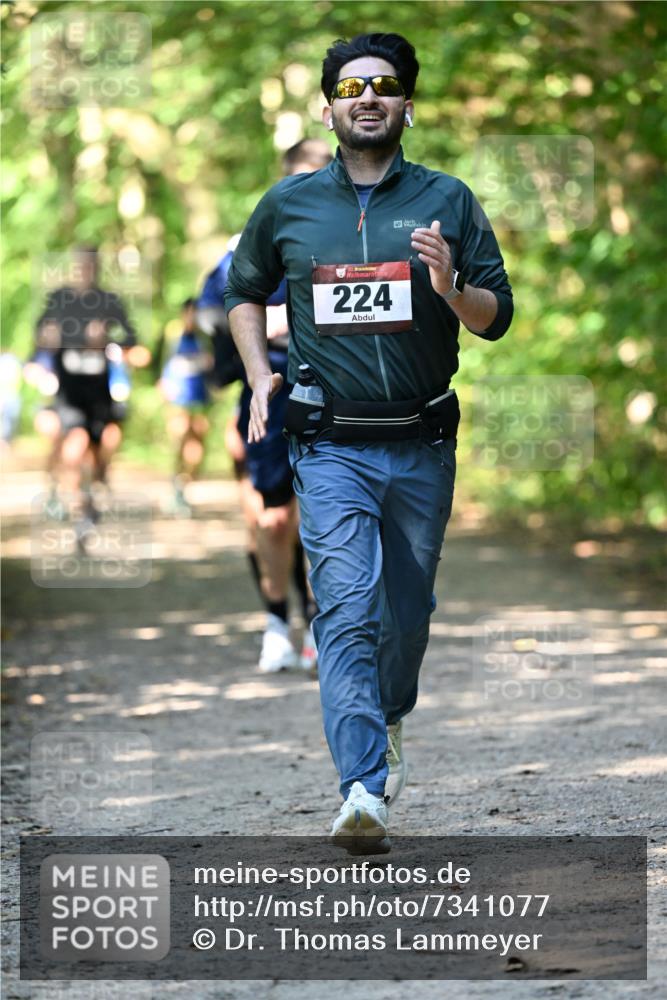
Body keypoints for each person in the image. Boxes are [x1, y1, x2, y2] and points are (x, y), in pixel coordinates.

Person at [224, 32, 513, 853]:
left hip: (420, 441)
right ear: (329, 109)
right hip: (330, 443)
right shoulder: (288, 204)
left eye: (383, 85)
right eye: (351, 88)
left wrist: (449, 288)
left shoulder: (448, 199)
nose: (367, 97)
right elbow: (242, 291)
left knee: (406, 614)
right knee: (346, 608)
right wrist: (259, 375)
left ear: (406, 105)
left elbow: (497, 316)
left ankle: (387, 719)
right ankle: (362, 787)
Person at [199, 140, 332, 673]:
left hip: (341, 390)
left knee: (327, 514)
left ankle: (322, 623)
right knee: (275, 521)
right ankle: (278, 622)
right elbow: (212, 313)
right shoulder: (250, 241)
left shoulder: (355, 235)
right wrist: (259, 326)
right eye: (301, 178)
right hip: (271, 394)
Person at [33, 246, 148, 538]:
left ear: (97, 268)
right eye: (80, 265)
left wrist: (107, 340)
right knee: (75, 443)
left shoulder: (109, 301)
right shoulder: (59, 299)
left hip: (98, 392)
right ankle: (80, 511)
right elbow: (40, 336)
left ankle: (91, 498)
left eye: (90, 266)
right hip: (69, 391)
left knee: (97, 453)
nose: (85, 271)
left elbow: (131, 339)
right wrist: (49, 337)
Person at [159, 298, 213, 515]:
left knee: (196, 445)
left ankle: (184, 486)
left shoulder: (205, 337)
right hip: (177, 398)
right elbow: (164, 361)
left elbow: (213, 365)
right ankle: (175, 486)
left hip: (200, 397)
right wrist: (164, 385)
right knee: (180, 436)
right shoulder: (174, 333)